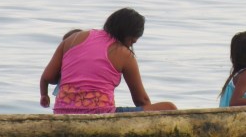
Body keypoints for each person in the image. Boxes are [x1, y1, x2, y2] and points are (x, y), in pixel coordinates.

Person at [39, 7, 177, 114]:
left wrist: (45, 95)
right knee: (169, 108)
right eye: (131, 41)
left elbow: (48, 77)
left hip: (62, 112)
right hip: (101, 114)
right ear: (128, 35)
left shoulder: (72, 39)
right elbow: (141, 100)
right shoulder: (124, 54)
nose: (130, 45)